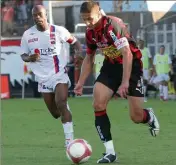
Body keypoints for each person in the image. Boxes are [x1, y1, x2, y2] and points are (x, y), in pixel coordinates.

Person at [74, 2, 160, 163]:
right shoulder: (90, 32)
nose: (87, 23)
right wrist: (80, 82)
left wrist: (125, 82)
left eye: (90, 19)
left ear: (99, 13)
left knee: (135, 116)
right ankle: (110, 152)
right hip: (111, 67)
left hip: (131, 67)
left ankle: (148, 116)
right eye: (84, 19)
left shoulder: (112, 26)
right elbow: (89, 57)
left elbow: (127, 53)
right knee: (98, 104)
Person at [20, 5, 82, 147]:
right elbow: (23, 55)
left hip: (59, 74)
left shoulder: (58, 31)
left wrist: (78, 53)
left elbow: (76, 42)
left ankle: (69, 142)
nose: (37, 17)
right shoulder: (28, 35)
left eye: (40, 14)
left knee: (61, 103)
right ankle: (65, 112)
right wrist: (30, 58)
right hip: (42, 78)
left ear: (46, 14)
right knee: (55, 113)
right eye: (35, 15)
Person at [137, 38, 153, 102]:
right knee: (139, 82)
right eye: (139, 43)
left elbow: (150, 59)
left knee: (145, 82)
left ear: (143, 43)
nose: (140, 44)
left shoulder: (147, 50)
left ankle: (144, 96)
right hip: (138, 68)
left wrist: (151, 68)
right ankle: (139, 96)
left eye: (142, 43)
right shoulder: (137, 49)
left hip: (145, 69)